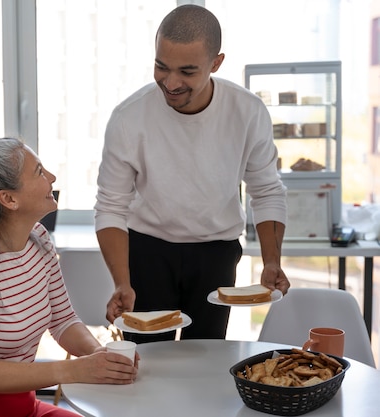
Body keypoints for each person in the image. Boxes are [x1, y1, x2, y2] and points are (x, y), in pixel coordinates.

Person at [94, 4, 291, 344]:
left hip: (217, 252)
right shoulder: (129, 117)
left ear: (216, 64)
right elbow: (111, 205)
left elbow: (267, 190)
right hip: (147, 250)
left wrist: (271, 261)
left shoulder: (247, 111)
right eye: (161, 67)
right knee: (147, 364)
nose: (170, 83)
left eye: (187, 71)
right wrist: (122, 283)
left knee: (207, 359)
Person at [0, 137, 138, 417]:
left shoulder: (39, 240)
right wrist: (73, 370)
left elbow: (63, 321)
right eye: (39, 172)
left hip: (23, 407)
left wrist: (99, 356)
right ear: (9, 199)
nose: (52, 178)